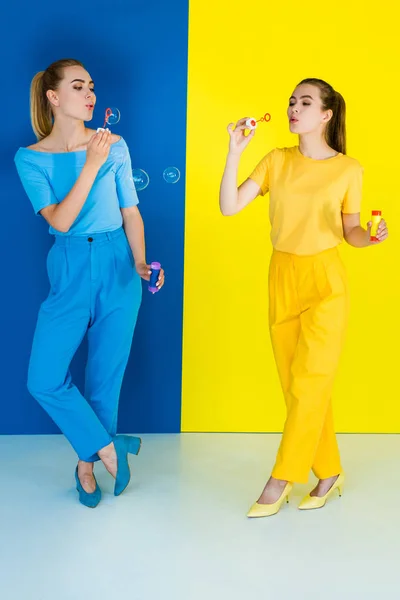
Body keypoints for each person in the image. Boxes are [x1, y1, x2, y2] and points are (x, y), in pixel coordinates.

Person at [219, 78, 388, 518]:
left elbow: (350, 228)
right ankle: (329, 471)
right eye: (292, 101)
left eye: (305, 102)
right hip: (281, 274)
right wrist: (235, 150)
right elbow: (230, 206)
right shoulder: (276, 161)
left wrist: (368, 238)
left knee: (311, 381)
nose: (294, 108)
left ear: (327, 114)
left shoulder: (349, 169)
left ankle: (281, 477)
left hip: (325, 279)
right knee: (297, 387)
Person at [14, 58, 165, 508]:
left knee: (105, 376)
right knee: (43, 378)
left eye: (92, 87)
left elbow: (130, 212)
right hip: (71, 262)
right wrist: (90, 163)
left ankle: (87, 464)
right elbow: (61, 221)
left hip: (120, 262)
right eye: (79, 86)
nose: (90, 94)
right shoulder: (30, 158)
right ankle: (107, 447)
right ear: (54, 97)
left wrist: (139, 260)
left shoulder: (114, 145)